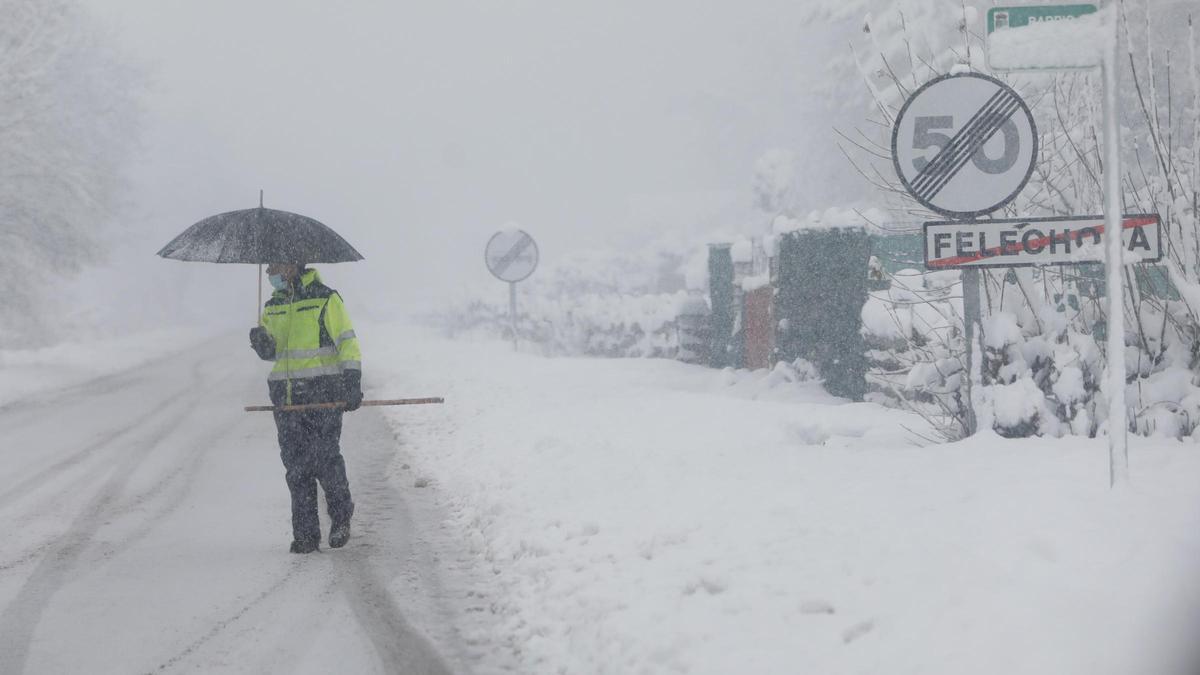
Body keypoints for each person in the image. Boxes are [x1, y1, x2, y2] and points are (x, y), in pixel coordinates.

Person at [249, 263, 363, 554]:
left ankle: (340, 517)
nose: (268, 273)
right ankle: (306, 536)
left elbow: (347, 343)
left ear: (290, 265)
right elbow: (273, 352)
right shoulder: (272, 305)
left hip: (323, 393)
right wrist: (261, 343)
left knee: (325, 460)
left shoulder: (325, 298)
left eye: (273, 266)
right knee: (296, 469)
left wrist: (351, 382)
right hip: (286, 398)